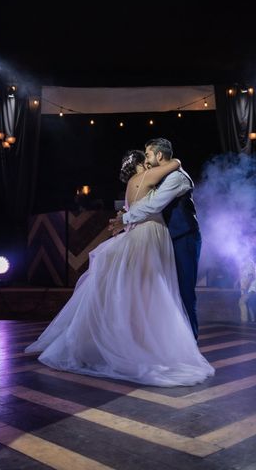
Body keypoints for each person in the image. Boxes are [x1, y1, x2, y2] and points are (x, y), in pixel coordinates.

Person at [25, 150, 214, 387]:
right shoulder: (147, 177)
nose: (148, 162)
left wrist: (124, 217)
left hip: (139, 232)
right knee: (152, 289)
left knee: (139, 290)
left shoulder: (132, 184)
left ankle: (133, 340)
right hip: (149, 234)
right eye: (145, 159)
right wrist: (176, 160)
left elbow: (134, 208)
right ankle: (149, 345)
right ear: (140, 164)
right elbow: (158, 193)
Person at [108, 138, 202, 339]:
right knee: (164, 290)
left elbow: (154, 205)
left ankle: (190, 343)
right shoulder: (159, 177)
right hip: (167, 238)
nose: (148, 161)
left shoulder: (176, 178)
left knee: (184, 291)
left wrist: (125, 218)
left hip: (184, 237)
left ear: (160, 155)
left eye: (149, 155)